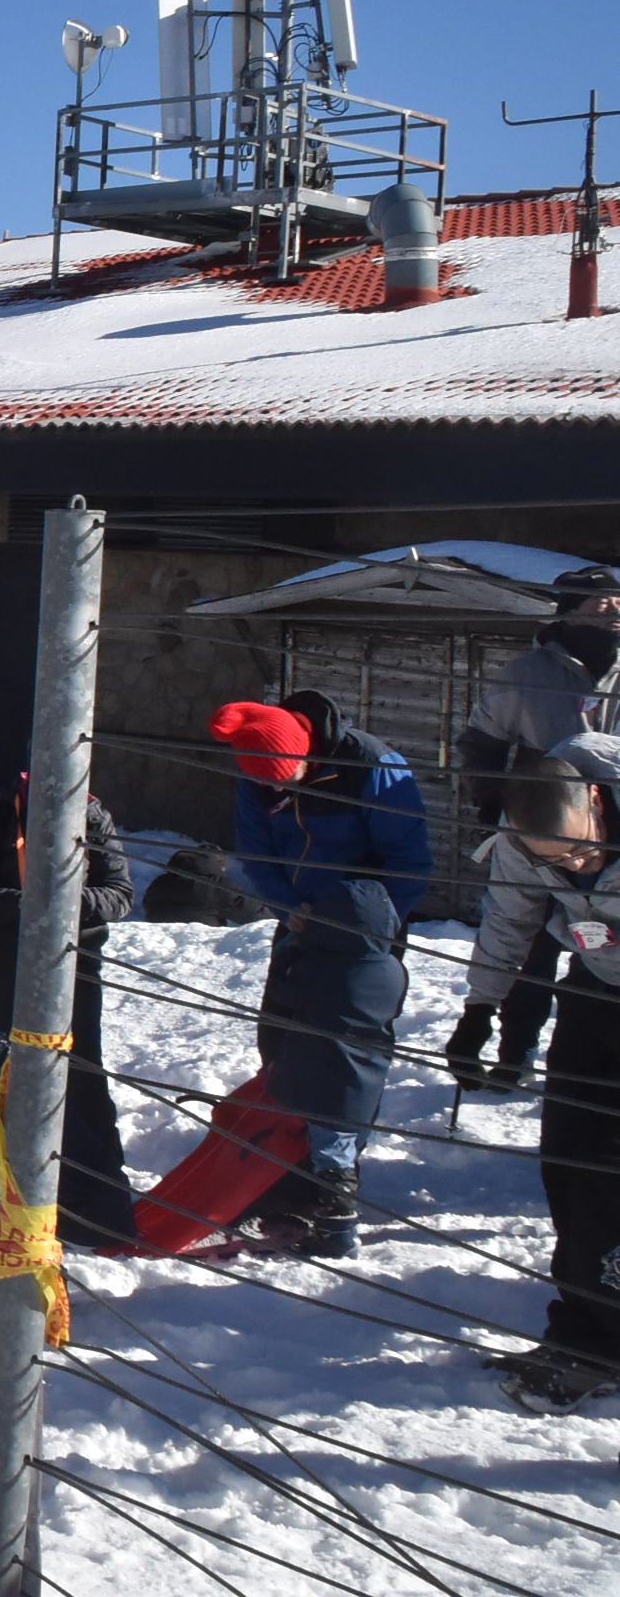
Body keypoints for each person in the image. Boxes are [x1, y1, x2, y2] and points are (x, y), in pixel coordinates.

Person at [210, 691, 430, 1258]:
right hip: (301, 926)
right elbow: (257, 855)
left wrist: (369, 926)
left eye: (290, 781)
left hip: (365, 933)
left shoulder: (374, 769)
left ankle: (332, 1179)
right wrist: (290, 908)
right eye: (269, 786)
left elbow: (408, 860)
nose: (278, 792)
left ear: (309, 750)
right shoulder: (257, 774)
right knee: (280, 1042)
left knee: (345, 1056)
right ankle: (280, 1173)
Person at [463, 741, 620, 1410]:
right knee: (566, 1158)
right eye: (557, 862)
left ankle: (605, 1343)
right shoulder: (523, 840)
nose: (577, 869)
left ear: (595, 799)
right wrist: (479, 1007)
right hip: (595, 992)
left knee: (610, 1178)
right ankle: (581, 1328)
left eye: (583, 854)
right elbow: (508, 922)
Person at [0, 781, 137, 1246]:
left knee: (81, 1082)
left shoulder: (93, 815)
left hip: (75, 972)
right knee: (10, 1084)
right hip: (8, 970)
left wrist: (62, 910)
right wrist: (35, 909)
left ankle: (98, 1199)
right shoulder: (0, 814)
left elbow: (119, 894)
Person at [455, 566, 620, 1085]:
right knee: (530, 947)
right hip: (541, 821)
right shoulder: (528, 672)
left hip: (606, 824)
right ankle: (514, 1050)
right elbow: (482, 742)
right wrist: (500, 811)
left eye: (618, 601)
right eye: (598, 602)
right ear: (567, 609)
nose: (611, 610)